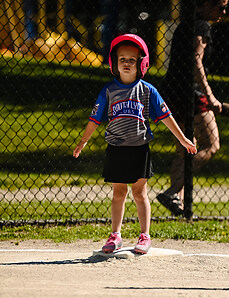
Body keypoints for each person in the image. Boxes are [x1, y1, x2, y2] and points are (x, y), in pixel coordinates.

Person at [73, 34, 196, 254]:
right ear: (114, 63)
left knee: (140, 193)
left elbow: (166, 116)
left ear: (142, 63)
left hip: (140, 149)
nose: (127, 63)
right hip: (117, 149)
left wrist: (182, 138)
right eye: (122, 59)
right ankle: (116, 235)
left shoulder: (148, 91)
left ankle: (144, 235)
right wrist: (83, 141)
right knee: (118, 193)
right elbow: (94, 119)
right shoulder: (108, 91)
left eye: (132, 59)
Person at [157, 0, 229, 216]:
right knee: (211, 145)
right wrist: (210, 97)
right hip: (190, 93)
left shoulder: (186, 24)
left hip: (172, 92)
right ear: (204, 5)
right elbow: (196, 61)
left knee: (184, 149)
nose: (223, 12)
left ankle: (178, 202)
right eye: (219, 6)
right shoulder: (202, 26)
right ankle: (172, 191)